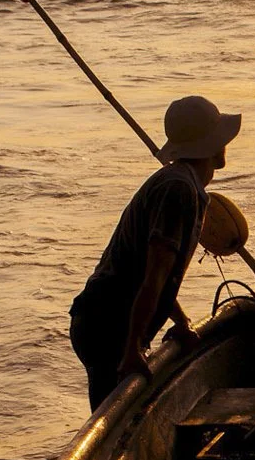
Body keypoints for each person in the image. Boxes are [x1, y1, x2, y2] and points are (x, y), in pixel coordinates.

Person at [68, 95, 240, 411]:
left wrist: (181, 321)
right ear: (212, 146)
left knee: (121, 413)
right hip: (106, 325)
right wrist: (132, 347)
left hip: (107, 321)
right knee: (115, 418)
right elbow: (154, 275)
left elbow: (154, 276)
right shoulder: (178, 190)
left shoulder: (185, 185)